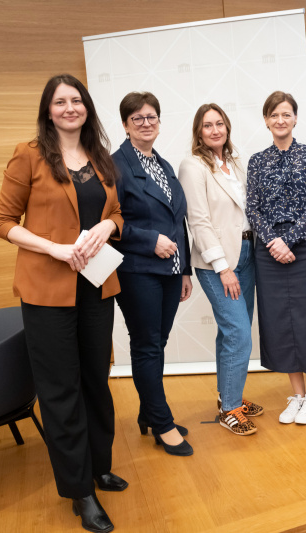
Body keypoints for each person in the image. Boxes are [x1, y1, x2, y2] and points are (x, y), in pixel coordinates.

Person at [0, 74, 126, 533]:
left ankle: (99, 466)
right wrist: (55, 249)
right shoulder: (28, 154)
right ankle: (80, 491)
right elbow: (3, 221)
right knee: (60, 389)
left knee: (95, 380)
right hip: (48, 289)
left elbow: (115, 213)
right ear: (48, 110)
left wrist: (109, 228)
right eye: (60, 102)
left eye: (77, 100)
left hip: (96, 285)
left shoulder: (101, 156)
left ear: (86, 107)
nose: (70, 108)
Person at [246, 91, 306, 425]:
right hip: (269, 251)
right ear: (266, 120)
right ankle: (296, 394)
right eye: (274, 115)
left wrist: (290, 240)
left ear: (295, 118)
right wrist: (273, 241)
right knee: (279, 321)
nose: (280, 120)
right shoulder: (257, 160)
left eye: (286, 114)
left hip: (305, 246)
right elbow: (252, 207)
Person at [111, 92, 193, 456]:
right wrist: (148, 240)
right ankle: (162, 423)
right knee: (146, 346)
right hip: (137, 270)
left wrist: (186, 269)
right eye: (137, 118)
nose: (146, 123)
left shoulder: (162, 164)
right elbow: (108, 224)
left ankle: (148, 412)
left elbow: (178, 222)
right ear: (126, 124)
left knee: (155, 344)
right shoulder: (115, 166)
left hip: (171, 270)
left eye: (152, 117)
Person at [179, 103, 263, 436]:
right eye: (207, 125)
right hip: (218, 263)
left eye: (219, 124)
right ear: (199, 132)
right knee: (239, 333)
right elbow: (197, 221)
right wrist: (223, 268)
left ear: (227, 127)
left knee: (231, 332)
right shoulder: (193, 166)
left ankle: (232, 397)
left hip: (248, 254)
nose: (215, 130)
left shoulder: (236, 162)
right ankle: (229, 409)